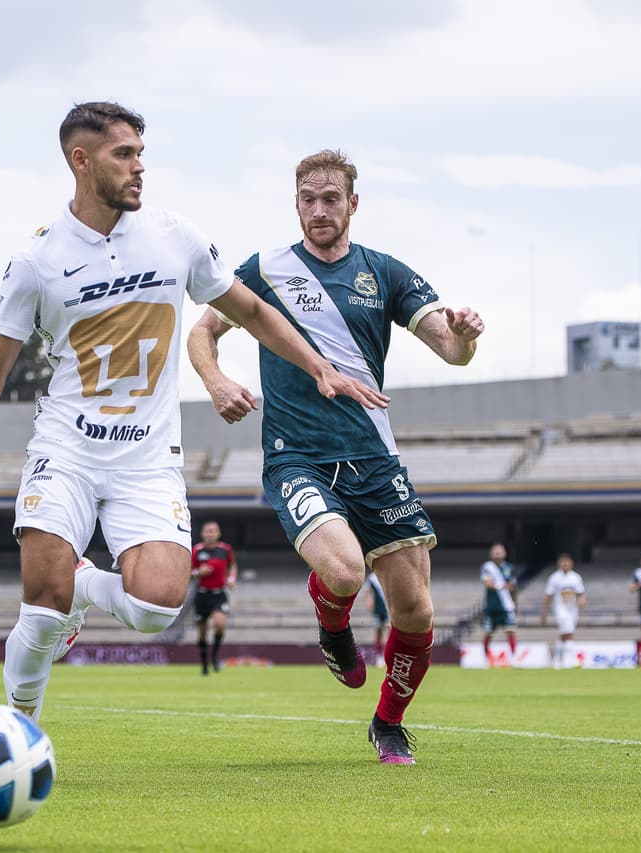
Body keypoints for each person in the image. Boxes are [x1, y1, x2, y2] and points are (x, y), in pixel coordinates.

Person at [0, 103, 383, 722]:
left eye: (141, 153)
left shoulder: (176, 237)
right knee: (41, 605)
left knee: (155, 608)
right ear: (81, 161)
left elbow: (252, 311)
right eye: (124, 154)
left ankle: (84, 585)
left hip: (147, 458)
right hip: (66, 449)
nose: (139, 167)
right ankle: (20, 730)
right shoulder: (37, 260)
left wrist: (318, 366)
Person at [188, 148, 485, 764]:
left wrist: (464, 337)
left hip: (374, 457)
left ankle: (388, 723)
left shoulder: (385, 272)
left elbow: (452, 352)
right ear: (295, 203)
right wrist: (215, 381)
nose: (319, 210)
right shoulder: (265, 268)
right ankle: (332, 622)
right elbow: (202, 332)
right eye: (308, 199)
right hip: (296, 454)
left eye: (331, 199)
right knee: (346, 570)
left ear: (353, 203)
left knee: (416, 608)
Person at [191, 520, 237, 675]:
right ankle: (204, 664)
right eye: (208, 531)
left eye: (213, 531)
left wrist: (231, 578)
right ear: (202, 533)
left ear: (218, 533)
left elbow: (232, 565)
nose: (210, 534)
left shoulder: (225, 550)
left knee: (219, 624)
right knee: (202, 632)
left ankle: (215, 655)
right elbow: (188, 572)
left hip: (219, 594)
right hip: (202, 594)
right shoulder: (197, 551)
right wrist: (198, 572)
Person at [540, 553, 586, 668]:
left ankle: (557, 659)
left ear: (571, 564)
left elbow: (581, 593)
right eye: (563, 562)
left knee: (565, 633)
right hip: (560, 608)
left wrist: (582, 601)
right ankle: (569, 659)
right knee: (568, 630)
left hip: (573, 608)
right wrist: (544, 612)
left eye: (567, 562)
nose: (565, 564)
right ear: (559, 564)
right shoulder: (554, 578)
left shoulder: (576, 577)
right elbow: (548, 595)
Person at [480, 543, 519, 664]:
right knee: (488, 633)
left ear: (504, 553)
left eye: (500, 552)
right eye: (495, 552)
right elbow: (488, 583)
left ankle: (514, 658)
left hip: (506, 607)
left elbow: (513, 587)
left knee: (511, 631)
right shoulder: (487, 567)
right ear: (491, 554)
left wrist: (515, 604)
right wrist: (502, 586)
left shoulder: (510, 568)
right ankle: (486, 659)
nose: (497, 554)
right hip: (491, 607)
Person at [364, 571, 389, 664]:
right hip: (377, 610)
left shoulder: (387, 574)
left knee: (389, 631)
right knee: (379, 633)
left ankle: (388, 656)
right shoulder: (372, 577)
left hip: (388, 609)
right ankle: (379, 657)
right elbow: (366, 590)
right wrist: (368, 600)